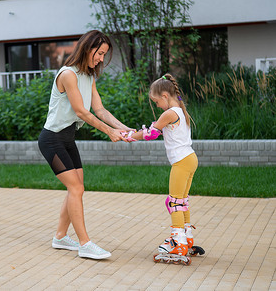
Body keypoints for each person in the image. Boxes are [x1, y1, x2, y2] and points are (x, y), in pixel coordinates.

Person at [38, 30, 134, 260]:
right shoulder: (68, 74)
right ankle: (85, 244)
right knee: (76, 189)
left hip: (67, 138)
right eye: (100, 53)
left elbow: (100, 110)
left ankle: (60, 237)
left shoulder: (88, 76)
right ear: (88, 48)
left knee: (76, 188)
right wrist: (109, 131)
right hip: (52, 140)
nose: (101, 58)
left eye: (104, 54)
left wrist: (125, 129)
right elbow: (81, 111)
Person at [124, 73, 203, 265]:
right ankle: (187, 236)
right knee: (182, 201)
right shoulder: (181, 111)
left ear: (165, 96)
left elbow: (151, 133)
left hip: (182, 161)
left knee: (174, 202)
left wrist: (130, 136)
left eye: (157, 101)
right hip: (190, 159)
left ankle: (178, 242)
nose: (157, 105)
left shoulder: (169, 113)